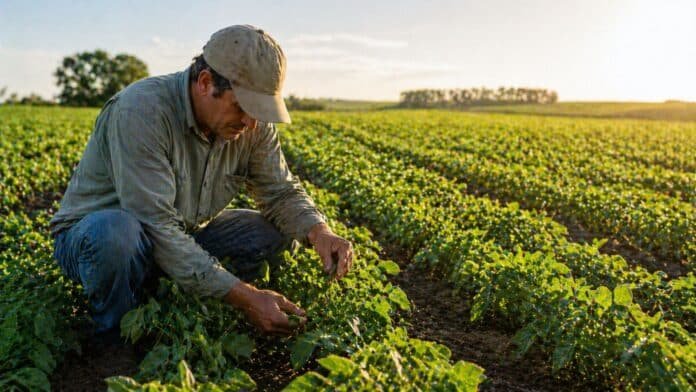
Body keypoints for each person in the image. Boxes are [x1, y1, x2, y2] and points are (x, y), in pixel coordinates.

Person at [49, 25, 353, 338]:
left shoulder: (252, 126)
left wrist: (320, 233)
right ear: (206, 83)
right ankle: (115, 333)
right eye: (243, 107)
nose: (251, 123)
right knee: (116, 234)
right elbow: (153, 222)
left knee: (274, 233)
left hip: (183, 233)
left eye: (260, 111)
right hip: (102, 240)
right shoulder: (142, 111)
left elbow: (280, 192)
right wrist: (244, 296)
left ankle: (181, 293)